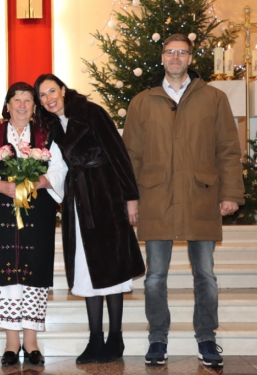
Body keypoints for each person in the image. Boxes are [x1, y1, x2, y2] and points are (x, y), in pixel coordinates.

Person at [122, 34, 244, 368]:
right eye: (170, 52)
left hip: (200, 196)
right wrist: (130, 198)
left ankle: (206, 337)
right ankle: (157, 339)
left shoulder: (214, 99)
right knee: (155, 276)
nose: (175, 57)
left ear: (190, 58)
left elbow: (228, 150)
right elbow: (130, 154)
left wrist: (231, 193)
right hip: (156, 197)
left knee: (205, 274)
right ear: (162, 57)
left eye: (182, 53)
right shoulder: (142, 102)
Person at [34, 73, 145, 364]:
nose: (49, 99)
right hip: (76, 202)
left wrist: (130, 198)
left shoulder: (91, 112)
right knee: (86, 269)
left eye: (52, 91)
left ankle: (115, 338)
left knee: (112, 268)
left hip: (105, 196)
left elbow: (119, 154)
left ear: (63, 89)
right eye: (42, 95)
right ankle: (95, 338)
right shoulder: (51, 126)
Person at [0, 82, 67, 366]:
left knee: (33, 272)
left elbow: (61, 168)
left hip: (36, 213)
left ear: (34, 106)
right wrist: (3, 186)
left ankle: (32, 343)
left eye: (28, 100)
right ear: (8, 104)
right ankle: (11, 345)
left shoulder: (47, 133)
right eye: (17, 100)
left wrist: (37, 182)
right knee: (4, 276)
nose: (22, 105)